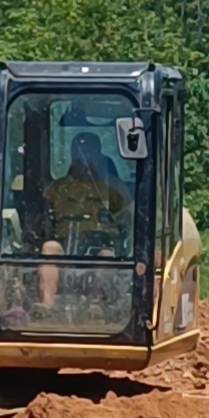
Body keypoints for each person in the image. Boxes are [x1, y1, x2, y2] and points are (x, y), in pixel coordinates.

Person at [38, 130, 131, 306]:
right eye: (79, 153)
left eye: (89, 153)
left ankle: (97, 307)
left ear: (99, 155)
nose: (84, 159)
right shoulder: (57, 188)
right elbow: (42, 219)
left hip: (101, 245)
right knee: (49, 248)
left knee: (106, 257)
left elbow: (130, 221)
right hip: (65, 246)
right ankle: (47, 307)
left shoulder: (114, 187)